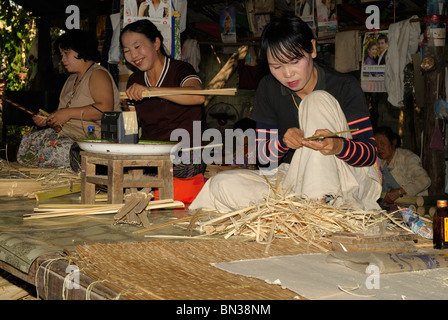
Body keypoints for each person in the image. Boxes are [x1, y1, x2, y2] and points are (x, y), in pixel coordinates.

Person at [190, 16, 381, 213]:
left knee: (316, 100)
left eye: (295, 62)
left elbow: (368, 154)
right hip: (293, 180)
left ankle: (319, 207)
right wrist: (283, 143)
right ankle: (299, 209)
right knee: (220, 184)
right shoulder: (268, 88)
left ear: (312, 49)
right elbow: (264, 162)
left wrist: (339, 145)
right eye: (277, 66)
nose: (288, 74)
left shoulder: (344, 86)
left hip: (344, 178)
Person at [17, 29, 121, 170]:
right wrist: (49, 119)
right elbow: (62, 119)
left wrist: (68, 113)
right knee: (28, 140)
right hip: (68, 135)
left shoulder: (98, 74)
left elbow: (105, 109)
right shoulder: (71, 79)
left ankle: (86, 166)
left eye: (66, 53)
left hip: (93, 139)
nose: (63, 59)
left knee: (57, 149)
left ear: (81, 50)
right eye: (61, 55)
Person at [120, 19, 206, 179]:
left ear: (156, 43)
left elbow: (197, 96)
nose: (133, 55)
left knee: (177, 166)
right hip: (151, 152)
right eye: (127, 50)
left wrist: (151, 91)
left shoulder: (180, 69)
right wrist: (126, 111)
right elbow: (131, 128)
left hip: (186, 154)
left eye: (137, 47)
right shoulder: (134, 80)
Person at [374, 126, 431, 204]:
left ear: (393, 142)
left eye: (382, 144)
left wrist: (399, 192)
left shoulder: (407, 158)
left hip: (411, 208)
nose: (379, 148)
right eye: (376, 145)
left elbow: (425, 180)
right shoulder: (380, 161)